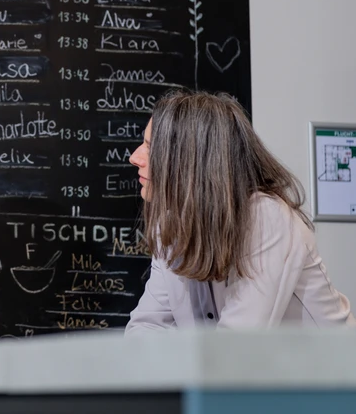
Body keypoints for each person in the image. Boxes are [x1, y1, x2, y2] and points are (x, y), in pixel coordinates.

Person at [126, 90, 355, 333]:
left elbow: (236, 344)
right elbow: (143, 328)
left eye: (151, 147)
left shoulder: (268, 218)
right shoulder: (170, 224)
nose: (134, 158)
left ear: (191, 160)